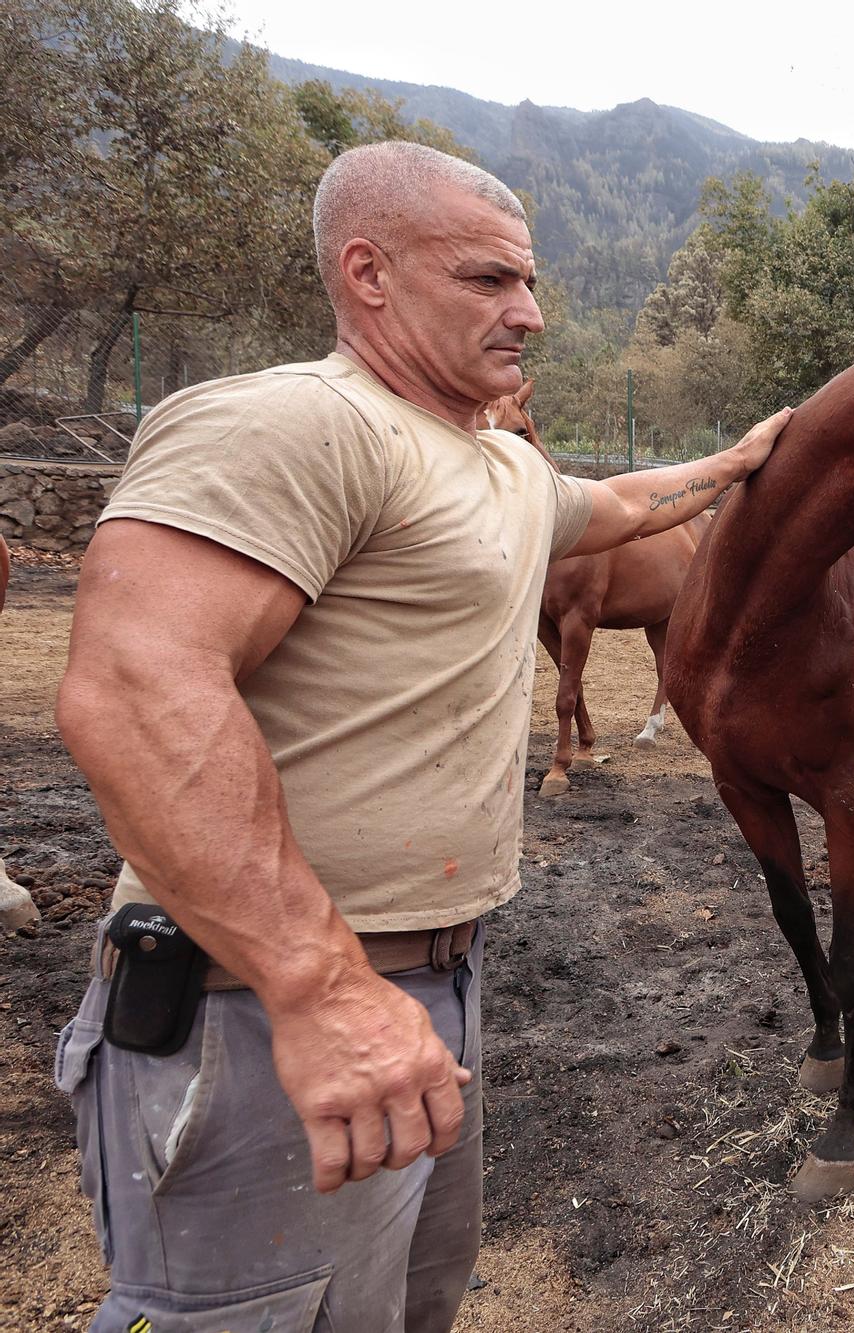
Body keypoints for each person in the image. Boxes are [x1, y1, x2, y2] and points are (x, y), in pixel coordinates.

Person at [52, 141, 789, 1333]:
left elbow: (618, 504)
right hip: (261, 1004)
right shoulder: (297, 424)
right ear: (369, 273)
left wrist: (743, 459)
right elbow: (135, 690)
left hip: (431, 988)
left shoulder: (495, 463)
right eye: (489, 280)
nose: (531, 313)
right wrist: (318, 987)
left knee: (398, 1308)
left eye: (530, 282)